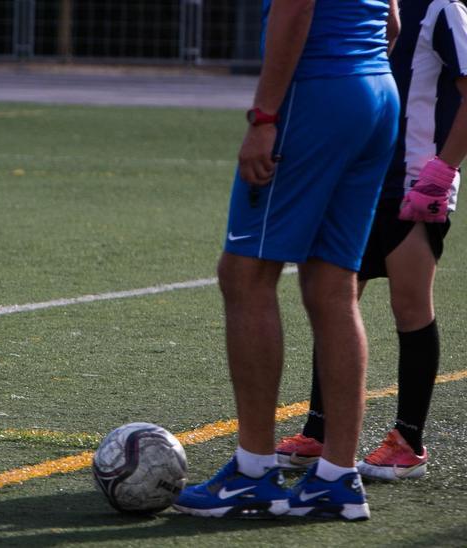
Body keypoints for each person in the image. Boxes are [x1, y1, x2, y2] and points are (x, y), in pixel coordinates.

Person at [173, 0, 400, 521]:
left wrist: (266, 116)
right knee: (333, 286)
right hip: (376, 89)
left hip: (317, 92)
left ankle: (253, 473)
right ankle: (336, 478)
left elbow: (296, 8)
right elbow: (392, 21)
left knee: (245, 274)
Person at [276, 0, 461, 482]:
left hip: (416, 181)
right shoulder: (373, 5)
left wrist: (443, 171)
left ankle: (408, 440)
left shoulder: (444, 8)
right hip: (359, 174)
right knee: (335, 296)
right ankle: (319, 429)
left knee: (411, 304)